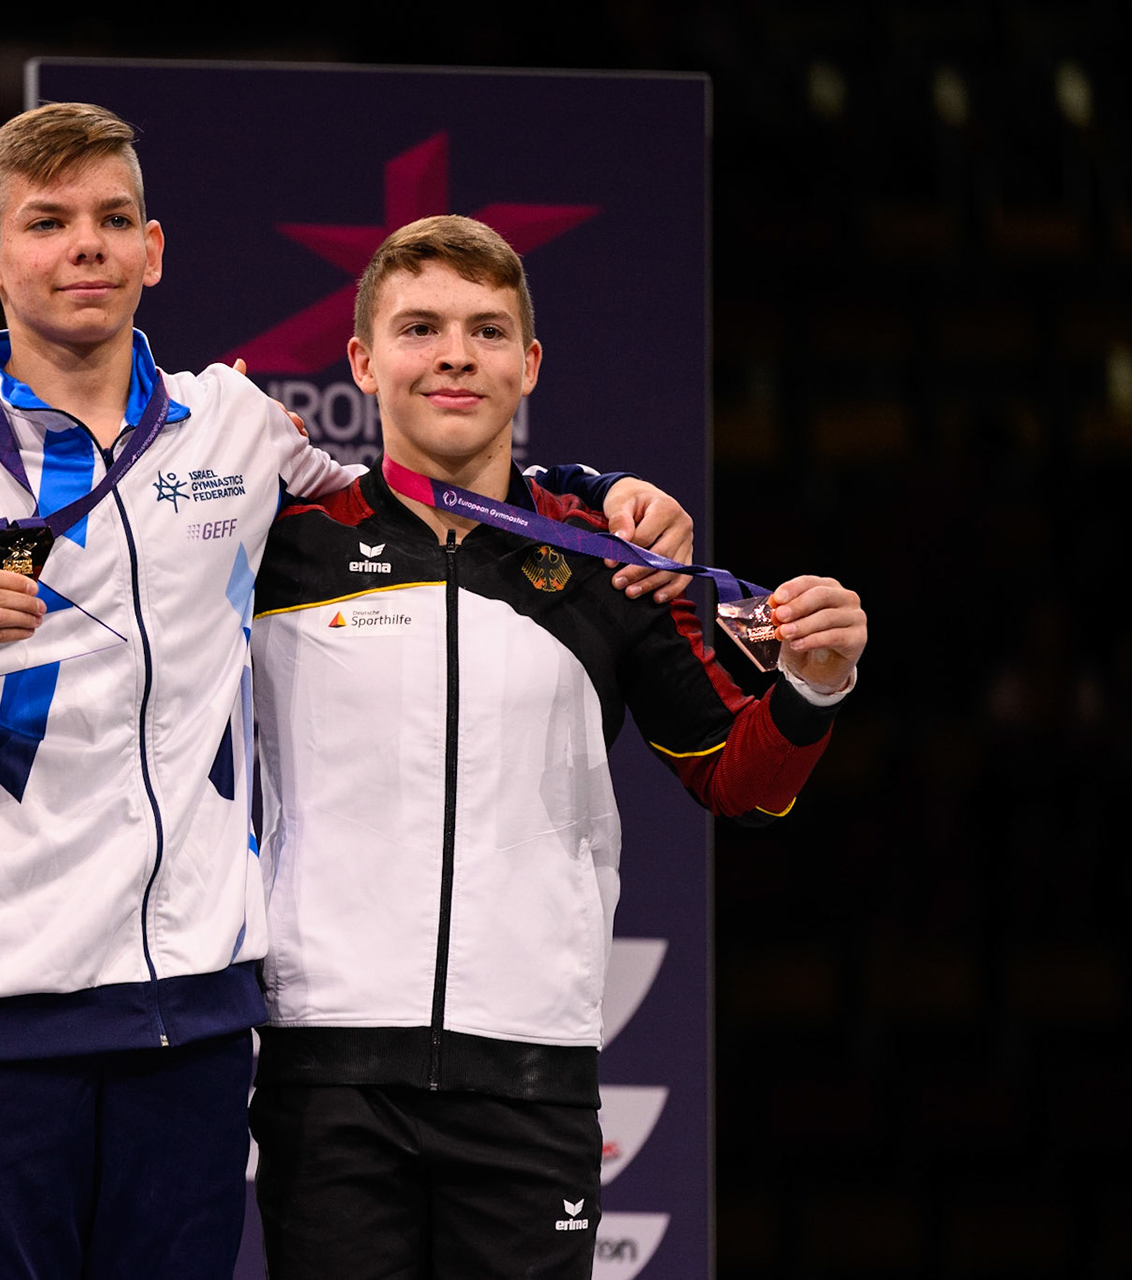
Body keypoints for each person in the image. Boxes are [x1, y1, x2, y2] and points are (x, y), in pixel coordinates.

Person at [0, 104, 698, 1280]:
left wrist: (603, 492)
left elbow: (428, 497)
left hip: (196, 1014)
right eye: (49, 222)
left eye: (114, 219)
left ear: (155, 248)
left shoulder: (234, 428)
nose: (87, 245)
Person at [245, 214, 868, 1278]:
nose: (454, 354)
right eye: (420, 327)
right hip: (326, 1068)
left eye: (488, 331)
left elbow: (738, 781)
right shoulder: (281, 544)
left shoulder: (605, 559)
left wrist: (815, 682)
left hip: (531, 1073)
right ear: (361, 360)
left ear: (528, 364)